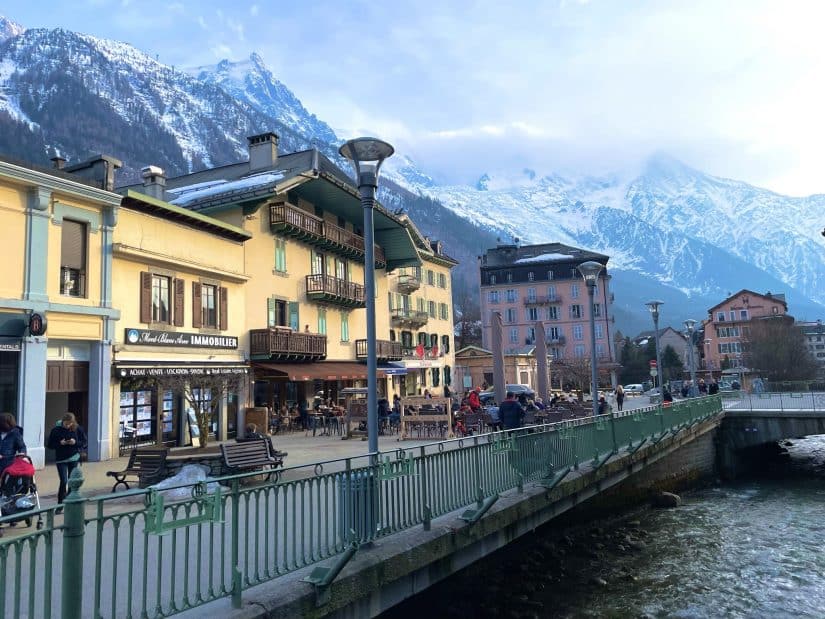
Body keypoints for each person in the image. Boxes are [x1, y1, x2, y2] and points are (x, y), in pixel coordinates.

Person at [46, 413, 87, 504]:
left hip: (73, 457)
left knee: (71, 480)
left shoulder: (77, 428)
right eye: (66, 424)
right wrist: (60, 443)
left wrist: (75, 442)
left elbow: (84, 442)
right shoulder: (56, 430)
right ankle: (60, 502)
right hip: (61, 459)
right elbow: (50, 445)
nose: (68, 426)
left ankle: (70, 500)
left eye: (70, 424)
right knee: (64, 480)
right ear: (62, 421)